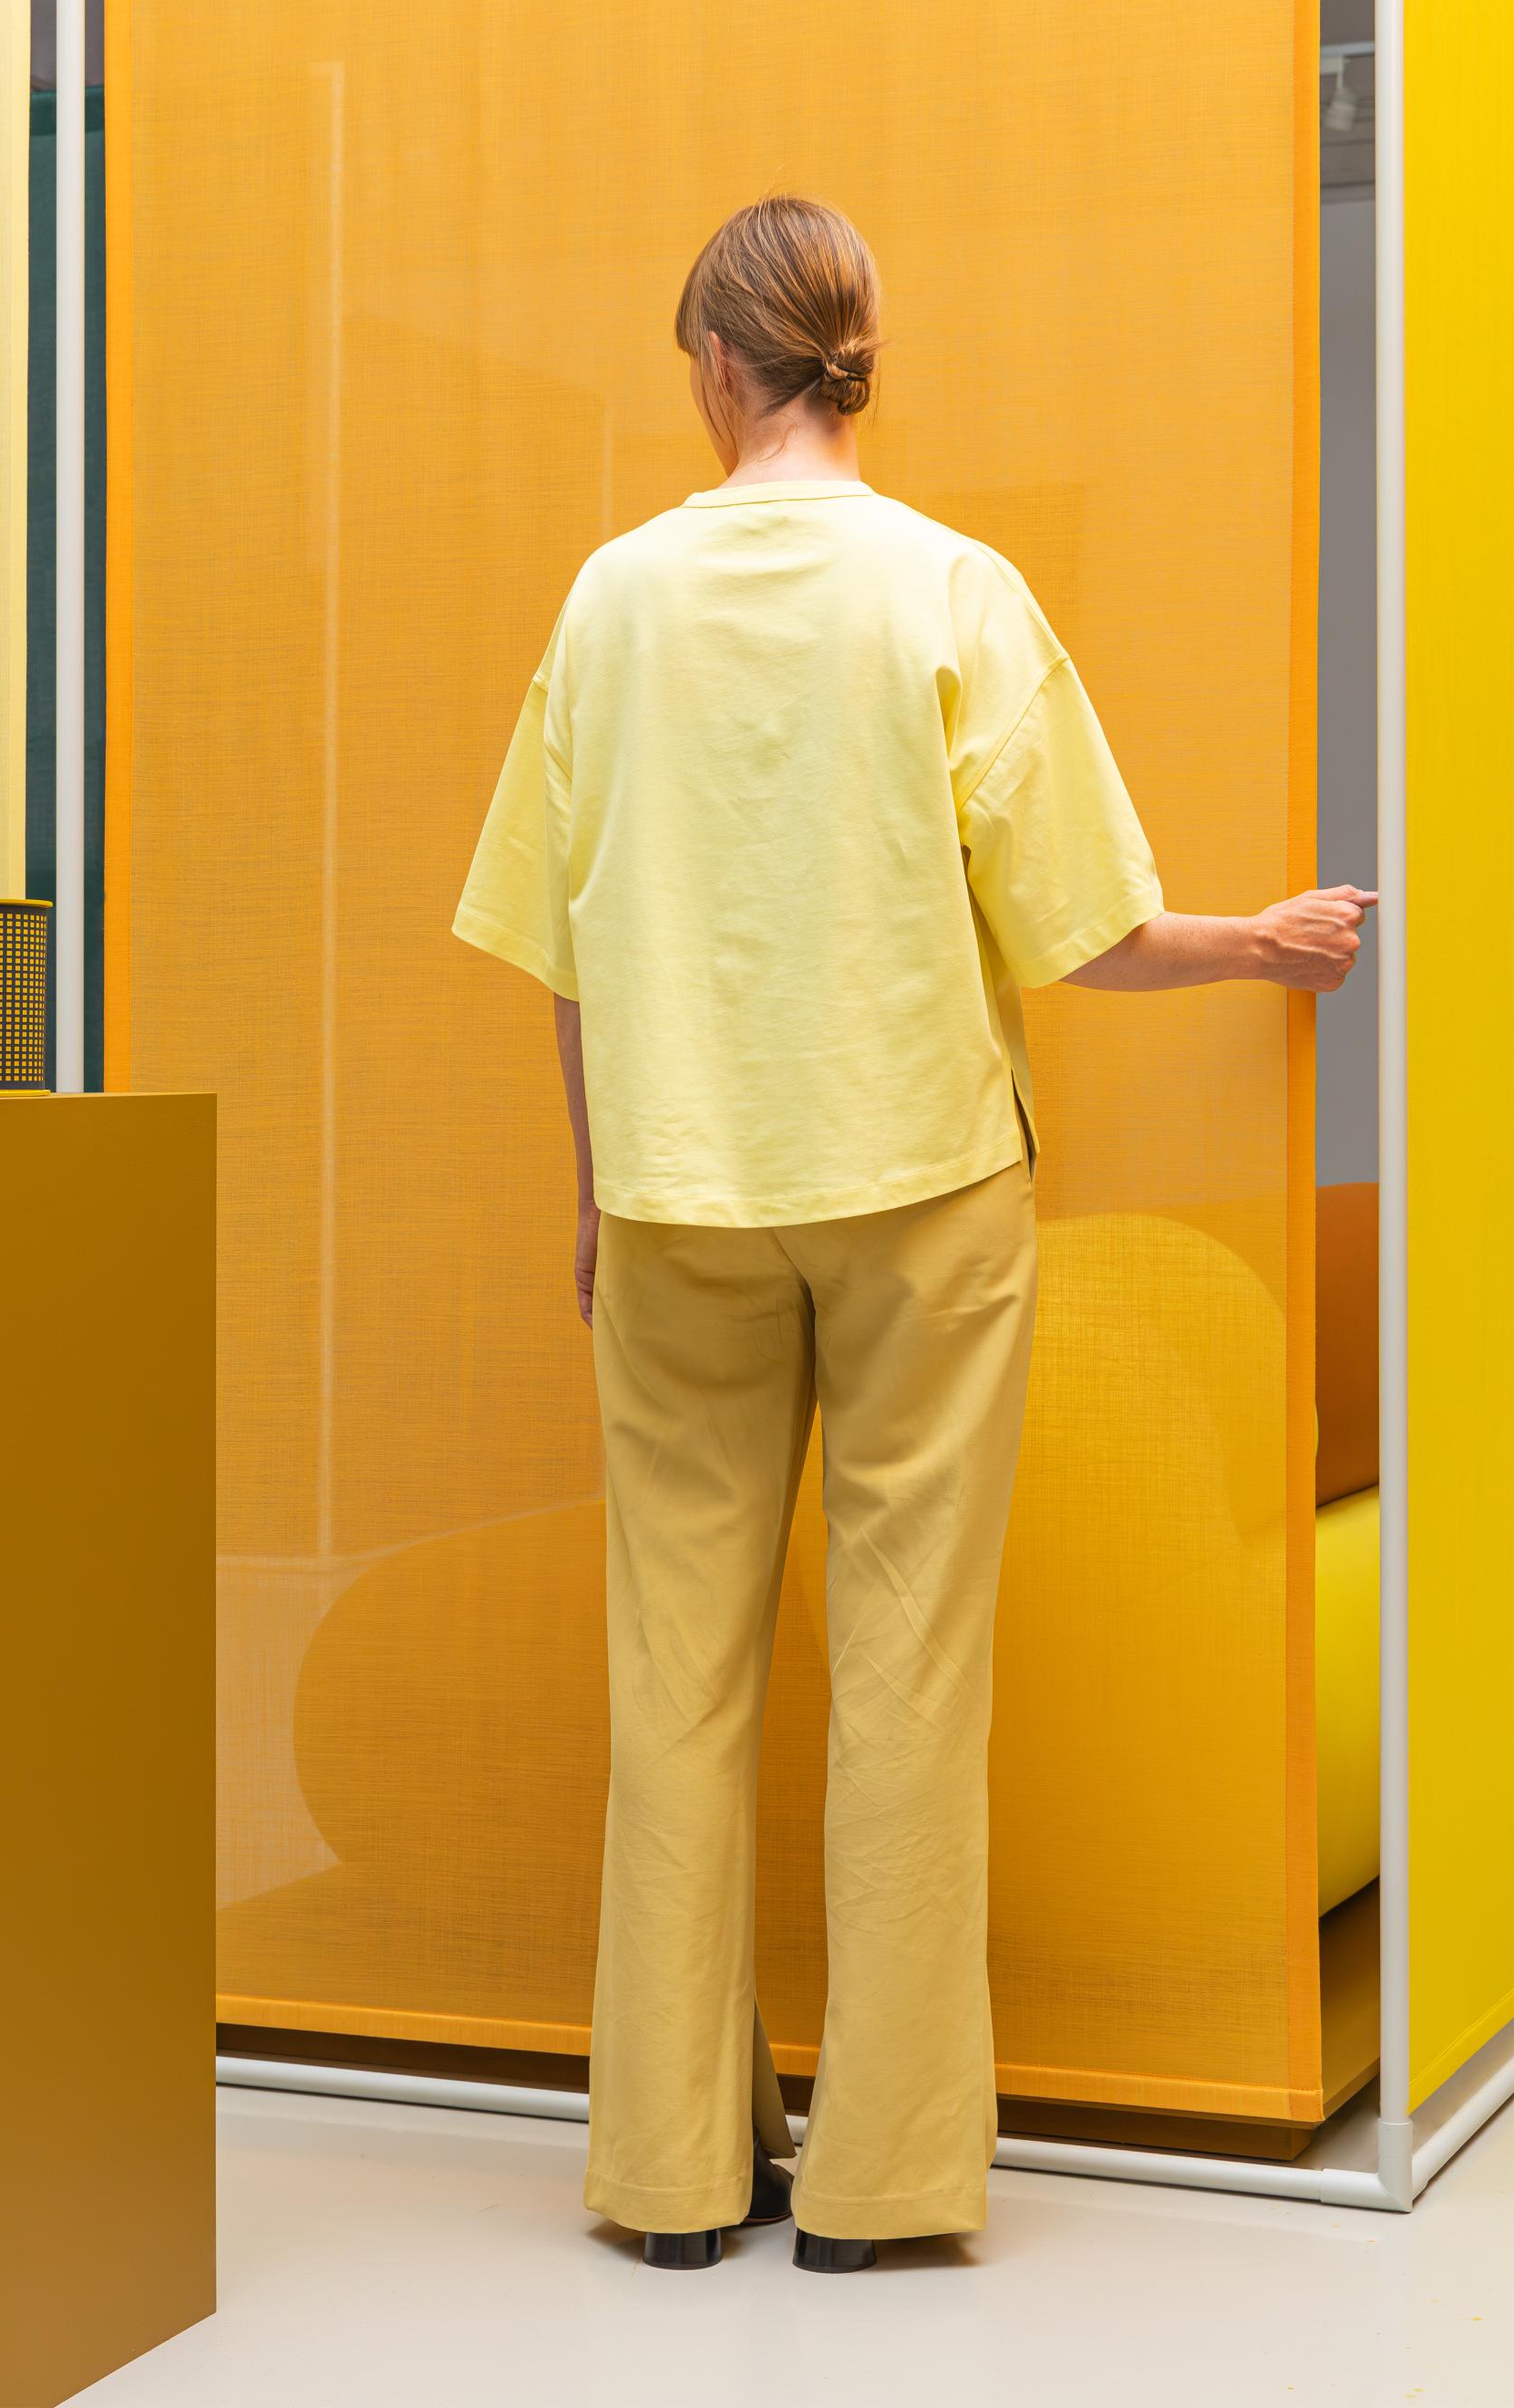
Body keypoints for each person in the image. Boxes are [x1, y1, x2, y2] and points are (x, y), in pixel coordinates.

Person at [451, 196, 1371, 2275]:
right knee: (908, 1680)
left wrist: (595, 1188)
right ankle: (876, 2194)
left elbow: (566, 944)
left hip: (681, 1194)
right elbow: (1092, 926)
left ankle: (671, 2181)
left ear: (712, 363)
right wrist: (1262, 941)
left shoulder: (609, 603)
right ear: (859, 358)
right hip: (921, 1194)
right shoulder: (954, 589)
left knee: (673, 1683)